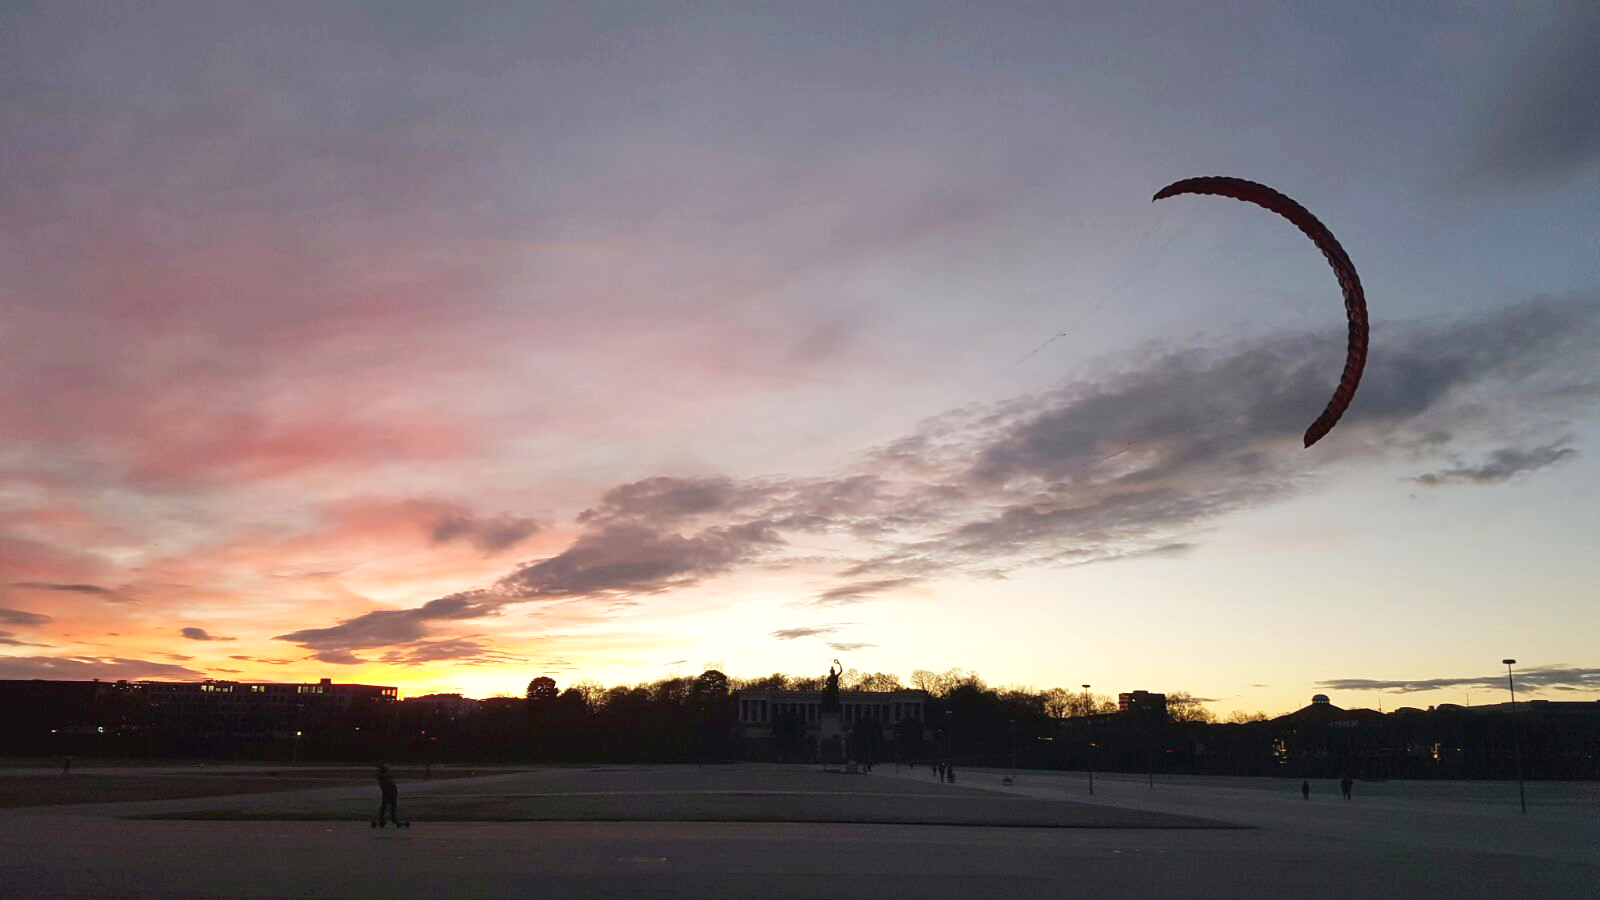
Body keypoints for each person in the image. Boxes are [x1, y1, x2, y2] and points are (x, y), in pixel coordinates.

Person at [372, 763, 407, 827]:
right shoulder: (381, 775)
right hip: (387, 791)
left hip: (391, 791)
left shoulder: (384, 775)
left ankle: (392, 818)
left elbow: (390, 776)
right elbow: (388, 776)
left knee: (392, 805)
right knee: (386, 805)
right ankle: (383, 819)